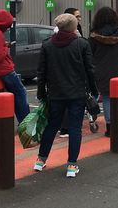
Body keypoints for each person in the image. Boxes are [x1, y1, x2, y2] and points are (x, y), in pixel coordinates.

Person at [34, 13, 98, 178]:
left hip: (55, 93)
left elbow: (42, 72)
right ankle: (71, 165)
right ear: (73, 27)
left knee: (52, 125)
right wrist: (94, 90)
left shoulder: (47, 45)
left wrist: (41, 92)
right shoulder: (81, 44)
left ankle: (40, 160)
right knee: (75, 128)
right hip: (77, 92)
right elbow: (90, 70)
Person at [89, 6, 118, 137]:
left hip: (102, 71)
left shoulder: (94, 35)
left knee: (107, 98)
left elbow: (90, 55)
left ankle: (110, 127)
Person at [57, 7, 83, 137]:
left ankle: (64, 126)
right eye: (77, 17)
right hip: (69, 74)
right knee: (69, 102)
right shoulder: (74, 38)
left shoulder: (77, 32)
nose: (79, 19)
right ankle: (66, 128)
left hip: (63, 75)